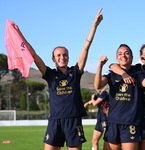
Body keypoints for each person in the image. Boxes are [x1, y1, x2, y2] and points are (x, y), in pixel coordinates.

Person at [12, 8, 103, 150]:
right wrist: (19, 34)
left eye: (65, 55)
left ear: (68, 57)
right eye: (59, 55)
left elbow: (86, 48)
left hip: (73, 121)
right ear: (53, 59)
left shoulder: (75, 72)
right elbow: (34, 56)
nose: (62, 58)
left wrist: (94, 25)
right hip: (55, 121)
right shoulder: (50, 74)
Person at [94, 44, 145, 150]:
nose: (123, 55)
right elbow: (98, 85)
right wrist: (100, 65)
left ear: (132, 58)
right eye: (120, 54)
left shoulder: (137, 73)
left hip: (130, 123)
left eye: (127, 53)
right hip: (113, 122)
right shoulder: (111, 73)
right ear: (117, 58)